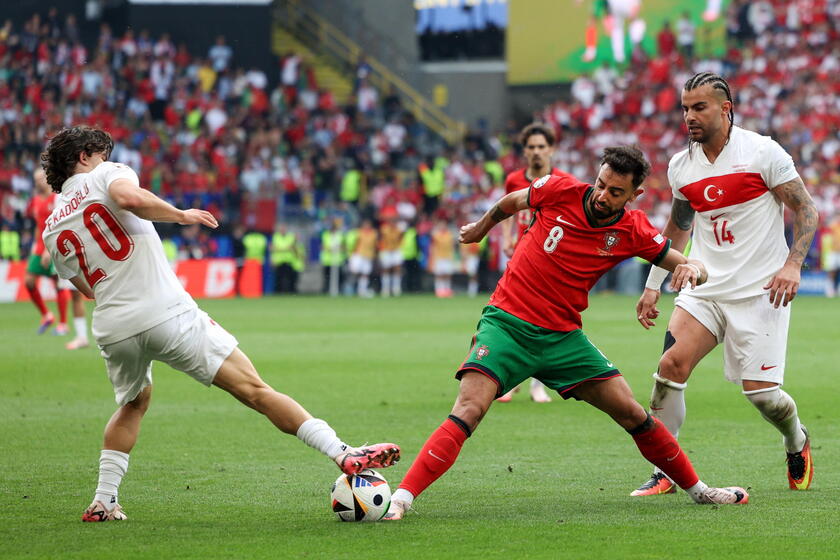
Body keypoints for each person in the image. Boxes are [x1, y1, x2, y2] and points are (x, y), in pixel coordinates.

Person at [40, 125, 400, 522]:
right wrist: (179, 215)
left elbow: (86, 289)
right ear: (86, 155)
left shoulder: (52, 225)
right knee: (255, 390)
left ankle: (104, 501)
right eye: (102, 153)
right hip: (165, 312)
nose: (106, 160)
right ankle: (342, 451)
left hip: (113, 326)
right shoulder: (106, 174)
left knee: (132, 404)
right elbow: (128, 197)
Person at [384, 146, 749, 521]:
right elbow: (512, 201)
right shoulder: (559, 190)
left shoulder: (632, 229)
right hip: (507, 323)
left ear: (634, 195)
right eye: (601, 184)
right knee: (468, 409)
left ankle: (699, 491)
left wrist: (695, 271)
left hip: (562, 338)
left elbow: (687, 262)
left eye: (615, 192)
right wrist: (481, 227)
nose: (603, 195)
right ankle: (399, 500)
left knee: (633, 413)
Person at [632, 72, 817, 497]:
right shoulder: (682, 165)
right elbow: (677, 227)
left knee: (764, 397)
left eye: (699, 107)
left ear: (726, 109)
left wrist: (793, 265)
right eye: (685, 108)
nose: (689, 117)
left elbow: (806, 211)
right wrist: (653, 283)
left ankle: (796, 439)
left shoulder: (763, 152)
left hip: (761, 292)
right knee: (669, 368)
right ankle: (668, 469)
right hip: (704, 287)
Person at [499, 122, 574, 404]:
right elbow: (507, 210)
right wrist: (506, 237)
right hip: (520, 259)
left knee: (545, 322)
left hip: (551, 262)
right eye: (531, 147)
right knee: (511, 320)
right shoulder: (514, 180)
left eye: (542, 147)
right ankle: (509, 380)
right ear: (524, 151)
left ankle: (536, 385)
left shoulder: (564, 181)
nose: (536, 152)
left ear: (551, 149)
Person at [25, 169, 69, 335]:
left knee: (58, 282)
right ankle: (47, 315)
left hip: (54, 245)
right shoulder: (35, 200)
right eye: (35, 179)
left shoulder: (57, 198)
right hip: (39, 246)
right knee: (29, 282)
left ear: (48, 178)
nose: (38, 182)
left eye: (40, 178)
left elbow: (59, 224)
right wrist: (35, 248)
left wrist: (49, 250)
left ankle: (63, 324)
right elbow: (39, 225)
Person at [347, 219, 377, 298]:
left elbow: (374, 245)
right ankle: (349, 289)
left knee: (365, 274)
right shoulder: (358, 233)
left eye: (368, 224)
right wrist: (351, 254)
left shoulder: (373, 233)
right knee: (355, 271)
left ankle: (362, 291)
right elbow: (352, 243)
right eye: (365, 224)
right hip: (358, 254)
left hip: (368, 256)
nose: (367, 226)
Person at [378, 215, 403, 297]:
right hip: (386, 250)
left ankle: (396, 288)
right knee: (386, 269)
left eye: (394, 221)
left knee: (397, 268)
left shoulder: (399, 229)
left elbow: (401, 238)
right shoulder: (384, 229)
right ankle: (385, 289)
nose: (393, 223)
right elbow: (381, 238)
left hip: (396, 250)